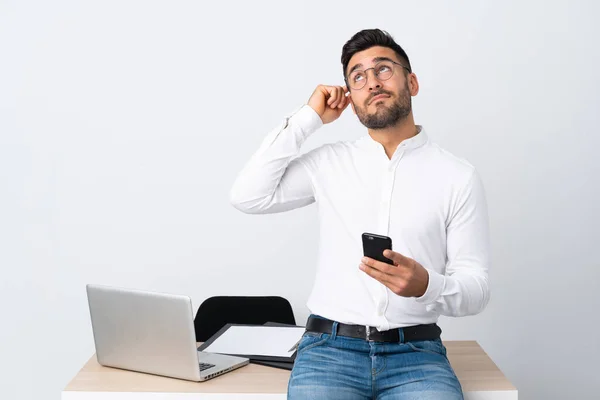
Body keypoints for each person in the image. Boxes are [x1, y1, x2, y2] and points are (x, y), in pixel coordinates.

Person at [230, 28, 491, 400]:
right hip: (328, 352)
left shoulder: (457, 176)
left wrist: (427, 285)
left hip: (417, 356)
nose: (372, 82)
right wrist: (309, 118)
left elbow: (477, 288)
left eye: (383, 69)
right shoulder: (329, 163)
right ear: (351, 99)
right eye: (358, 76)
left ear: (412, 82)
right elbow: (248, 196)